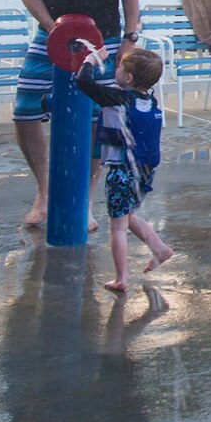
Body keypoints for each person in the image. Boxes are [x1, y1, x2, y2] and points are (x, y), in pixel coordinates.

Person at [14, 0, 142, 229]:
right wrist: (53, 28)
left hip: (104, 35)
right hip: (52, 32)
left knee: (99, 117)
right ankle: (45, 191)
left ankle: (83, 199)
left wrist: (130, 39)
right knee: (25, 107)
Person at [72, 43, 173, 295]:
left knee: (117, 226)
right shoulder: (149, 99)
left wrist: (91, 60)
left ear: (127, 78)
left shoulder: (117, 97)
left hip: (122, 170)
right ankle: (160, 249)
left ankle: (121, 278)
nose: (114, 70)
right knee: (126, 217)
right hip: (144, 169)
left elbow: (82, 82)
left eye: (119, 67)